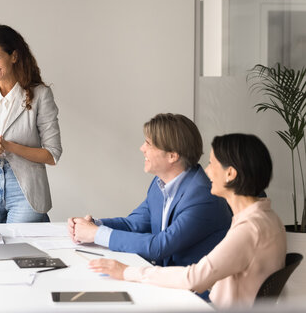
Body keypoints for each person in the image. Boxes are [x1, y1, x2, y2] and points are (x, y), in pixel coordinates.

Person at [89, 133, 286, 308]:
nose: (206, 173)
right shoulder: (268, 218)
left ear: (230, 174)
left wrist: (127, 272)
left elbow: (194, 277)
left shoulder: (249, 229)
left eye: (211, 164)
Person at [68, 113, 232, 269]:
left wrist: (96, 234)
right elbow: (133, 224)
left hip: (198, 293)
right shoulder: (160, 183)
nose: (142, 148)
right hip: (166, 280)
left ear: (172, 156)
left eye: (149, 144)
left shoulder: (203, 196)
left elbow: (159, 246)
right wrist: (94, 224)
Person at [0, 24, 62, 223]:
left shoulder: (40, 95)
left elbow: (52, 154)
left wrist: (10, 147)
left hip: (26, 191)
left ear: (14, 56)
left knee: (18, 250)